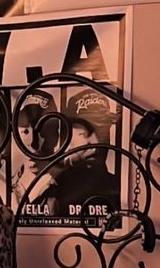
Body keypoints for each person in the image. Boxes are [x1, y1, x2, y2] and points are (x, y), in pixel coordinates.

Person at [33, 91, 118, 222]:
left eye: (102, 133)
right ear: (68, 136)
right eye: (83, 134)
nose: (95, 143)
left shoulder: (117, 187)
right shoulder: (52, 189)